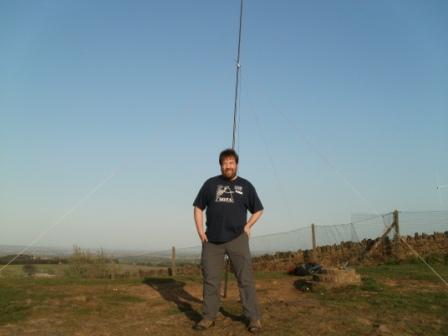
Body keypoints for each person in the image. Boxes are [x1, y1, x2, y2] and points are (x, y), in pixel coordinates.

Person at [192, 148, 264, 333]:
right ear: (221, 165)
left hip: (237, 239)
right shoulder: (210, 184)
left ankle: (253, 318)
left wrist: (248, 226)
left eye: (231, 163)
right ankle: (208, 317)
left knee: (245, 280)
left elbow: (258, 209)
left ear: (236, 164)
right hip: (212, 242)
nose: (228, 166)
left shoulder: (246, 186)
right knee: (210, 280)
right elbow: (198, 207)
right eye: (225, 163)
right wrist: (201, 232)